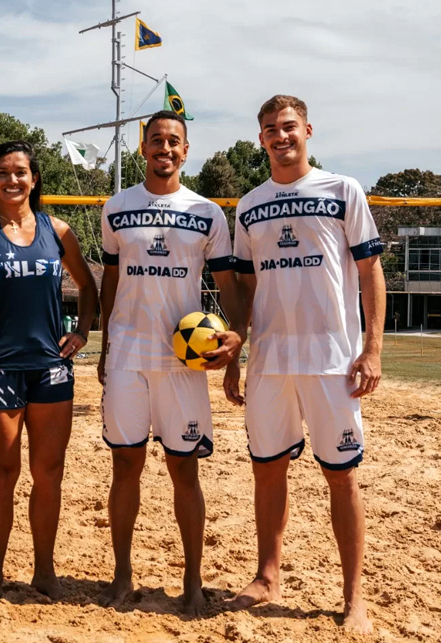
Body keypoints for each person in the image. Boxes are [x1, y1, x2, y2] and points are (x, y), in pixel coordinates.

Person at [228, 95, 384, 635]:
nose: (281, 135)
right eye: (271, 129)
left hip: (332, 361)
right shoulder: (249, 205)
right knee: (267, 470)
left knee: (340, 475)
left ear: (308, 130)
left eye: (289, 126)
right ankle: (267, 577)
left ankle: (354, 596)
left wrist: (372, 349)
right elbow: (245, 287)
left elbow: (370, 272)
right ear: (261, 139)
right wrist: (236, 354)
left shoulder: (342, 190)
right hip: (270, 361)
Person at [97, 111, 246, 613]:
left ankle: (193, 580)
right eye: (156, 140)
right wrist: (106, 347)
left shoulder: (207, 213)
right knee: (125, 466)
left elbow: (226, 284)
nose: (165, 148)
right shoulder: (117, 207)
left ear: (186, 150)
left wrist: (235, 345)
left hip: (186, 361)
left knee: (184, 470)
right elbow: (110, 281)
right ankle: (122, 575)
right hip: (128, 354)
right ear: (143, 148)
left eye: (174, 141)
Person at [0, 141, 97, 604]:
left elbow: (88, 286)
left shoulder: (58, 230)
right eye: (3, 173)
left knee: (49, 473)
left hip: (50, 367)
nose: (12, 180)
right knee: (3, 473)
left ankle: (44, 571)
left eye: (20, 172)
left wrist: (82, 332)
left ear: (34, 179)